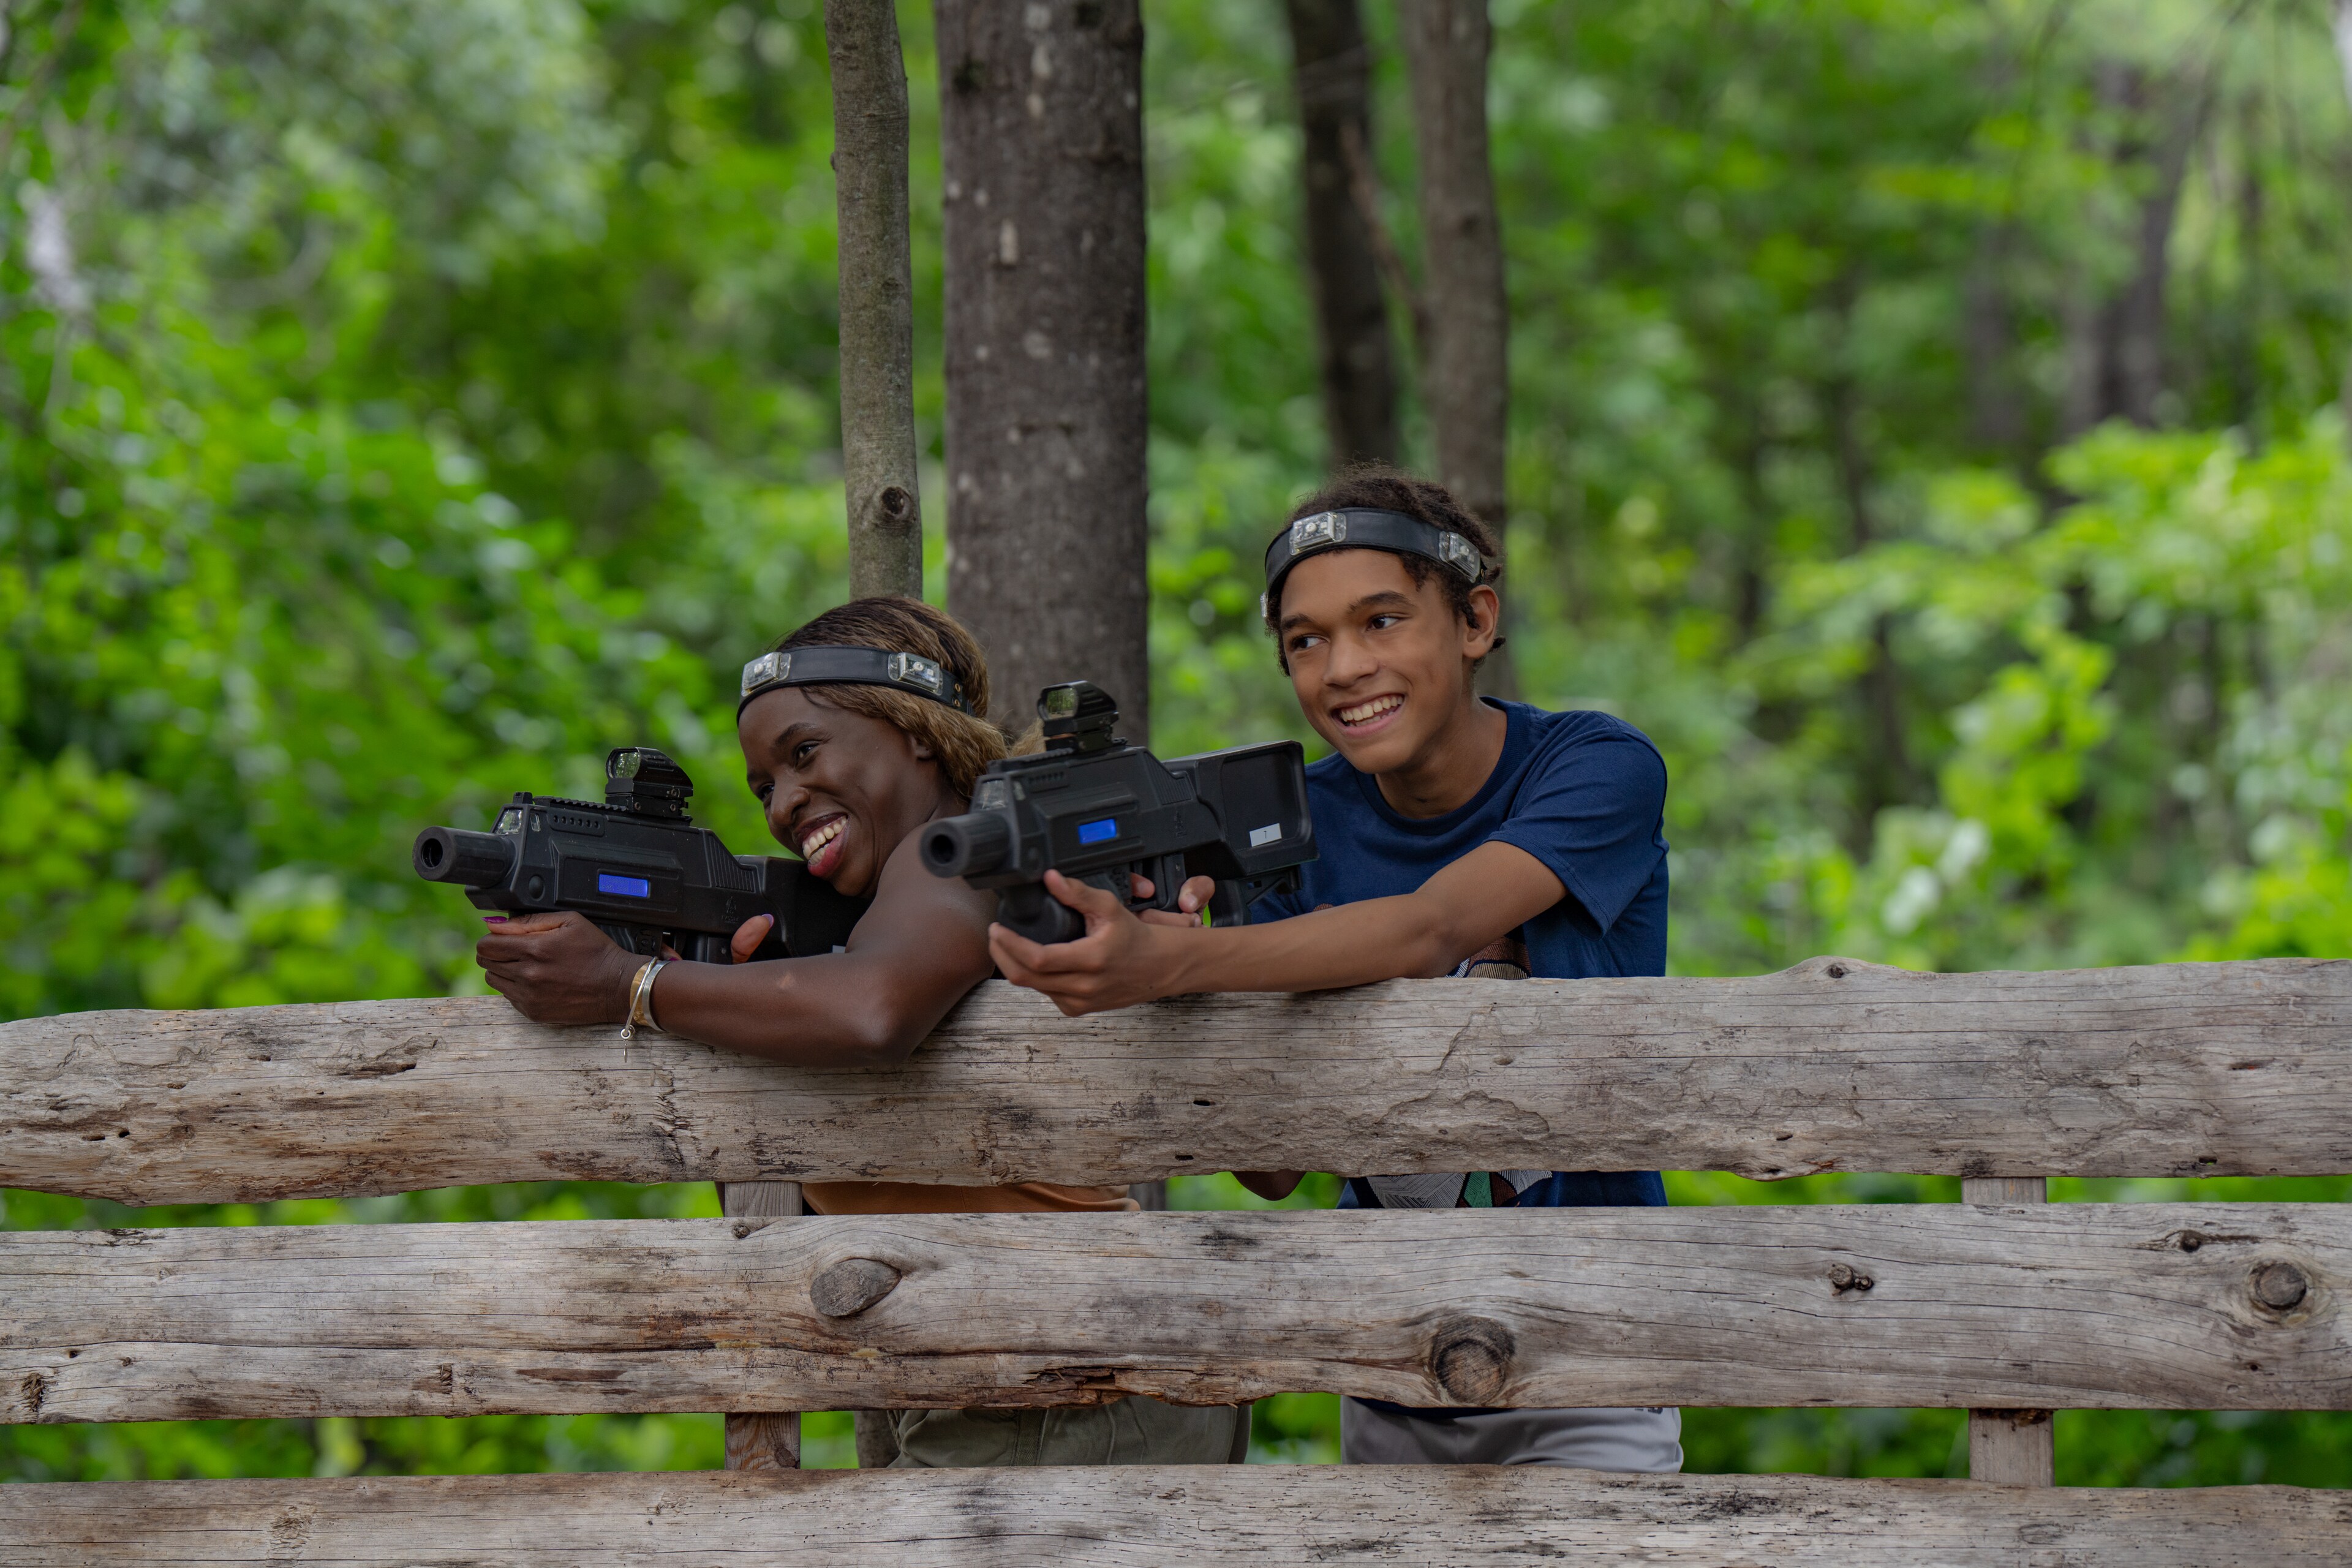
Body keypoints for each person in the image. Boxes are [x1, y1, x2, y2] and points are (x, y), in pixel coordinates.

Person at [989, 470, 1684, 1473]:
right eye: (1304, 641)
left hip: (1596, 1350)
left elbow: (1431, 928)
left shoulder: (1594, 766)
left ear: (1475, 620)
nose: (1343, 667)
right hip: (1390, 1357)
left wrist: (1178, 962)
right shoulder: (1287, 828)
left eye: (1382, 621)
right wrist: (1171, 950)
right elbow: (1272, 1171)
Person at [475, 594, 1250, 1469]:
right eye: (764, 787)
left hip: (1065, 1385)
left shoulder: (956, 849)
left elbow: (872, 1012)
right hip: (1036, 1371)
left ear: (915, 731)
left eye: (804, 753)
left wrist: (633, 985)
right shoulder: (879, 915)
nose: (784, 804)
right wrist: (726, 991)